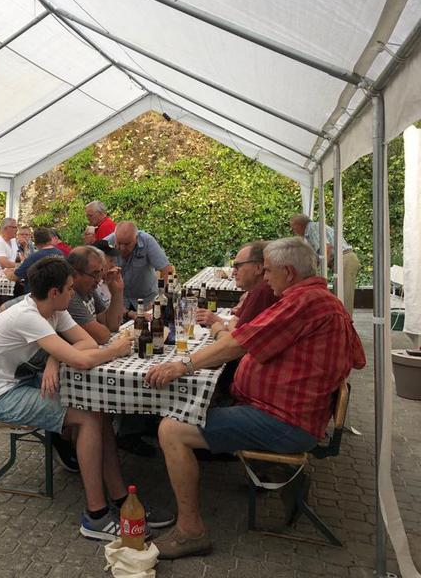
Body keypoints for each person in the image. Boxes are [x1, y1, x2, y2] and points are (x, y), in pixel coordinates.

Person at [145, 237, 366, 559]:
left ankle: (190, 531)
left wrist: (183, 365)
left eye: (269, 271)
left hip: (286, 421)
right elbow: (358, 357)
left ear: (288, 272)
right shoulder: (319, 299)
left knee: (171, 428)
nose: (265, 277)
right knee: (208, 402)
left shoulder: (303, 303)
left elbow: (237, 343)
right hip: (295, 413)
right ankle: (278, 475)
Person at [0, 257, 175, 540]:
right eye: (69, 288)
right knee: (88, 417)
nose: (74, 293)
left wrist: (55, 358)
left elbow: (87, 343)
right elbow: (82, 359)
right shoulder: (28, 316)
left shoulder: (53, 308)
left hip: (22, 381)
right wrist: (115, 350)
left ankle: (120, 499)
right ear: (55, 292)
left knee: (98, 409)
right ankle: (96, 516)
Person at [196, 241, 279, 400]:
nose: (233, 272)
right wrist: (227, 327)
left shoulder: (263, 291)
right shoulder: (255, 290)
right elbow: (235, 323)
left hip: (253, 391)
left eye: (238, 266)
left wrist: (218, 328)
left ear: (258, 268)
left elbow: (238, 341)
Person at [290, 213, 360, 316]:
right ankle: (342, 319)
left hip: (344, 259)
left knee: (344, 295)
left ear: (299, 225)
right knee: (341, 293)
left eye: (293, 227)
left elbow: (326, 248)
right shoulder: (313, 230)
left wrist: (321, 272)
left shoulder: (312, 228)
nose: (293, 231)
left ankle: (346, 321)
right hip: (343, 259)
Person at [107, 221, 173, 312]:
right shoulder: (107, 243)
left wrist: (161, 298)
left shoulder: (147, 241)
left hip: (147, 301)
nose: (122, 248)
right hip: (120, 302)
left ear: (136, 239)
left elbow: (167, 270)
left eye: (127, 244)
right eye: (119, 243)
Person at [66, 246, 124, 344]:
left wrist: (117, 292)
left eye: (100, 273)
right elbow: (101, 336)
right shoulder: (69, 297)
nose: (98, 280)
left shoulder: (88, 289)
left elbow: (112, 325)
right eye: (95, 274)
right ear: (75, 274)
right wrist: (104, 328)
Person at [4, 227, 64, 292]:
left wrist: (6, 272)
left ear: (35, 241)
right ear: (49, 239)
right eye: (22, 234)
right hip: (55, 292)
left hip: (35, 294)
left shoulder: (35, 257)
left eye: (27, 235)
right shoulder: (60, 253)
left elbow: (14, 277)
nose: (24, 236)